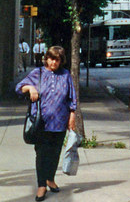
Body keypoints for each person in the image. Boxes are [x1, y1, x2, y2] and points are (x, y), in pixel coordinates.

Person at [17, 44, 77, 202]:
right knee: (42, 154)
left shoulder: (65, 75)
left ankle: (50, 178)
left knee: (55, 152)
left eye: (57, 60)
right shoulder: (39, 73)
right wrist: (30, 87)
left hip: (60, 122)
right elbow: (19, 88)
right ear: (46, 59)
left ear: (61, 61)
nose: (53, 63)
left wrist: (72, 116)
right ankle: (41, 185)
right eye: (51, 59)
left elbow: (72, 98)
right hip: (41, 122)